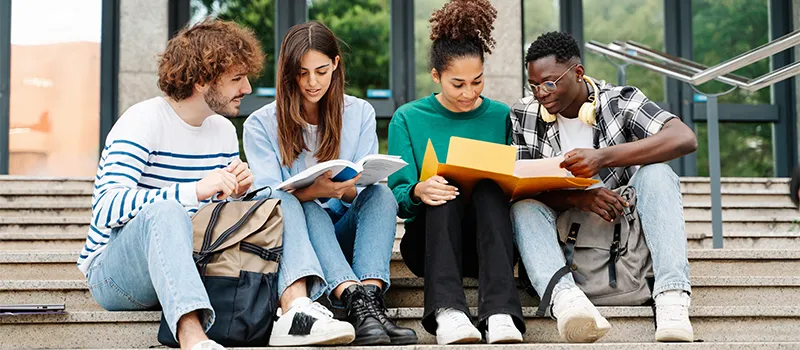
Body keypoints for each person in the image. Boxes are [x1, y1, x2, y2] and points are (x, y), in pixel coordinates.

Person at [78, 19, 265, 350]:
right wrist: (194, 190)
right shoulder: (142, 121)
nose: (247, 88)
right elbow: (106, 207)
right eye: (237, 78)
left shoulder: (222, 130)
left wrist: (239, 191)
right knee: (166, 211)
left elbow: (212, 212)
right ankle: (193, 337)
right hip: (114, 274)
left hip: (187, 264)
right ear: (203, 81)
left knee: (273, 199)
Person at [509, 31, 699, 343]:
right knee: (522, 207)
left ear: (578, 73)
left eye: (549, 83)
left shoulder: (620, 101)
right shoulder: (524, 114)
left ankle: (671, 297)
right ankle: (566, 300)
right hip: (564, 231)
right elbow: (520, 184)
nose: (540, 93)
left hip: (620, 229)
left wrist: (602, 158)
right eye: (533, 85)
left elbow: (684, 138)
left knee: (657, 174)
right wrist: (580, 198)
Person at [243, 21, 417, 346]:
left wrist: (345, 187)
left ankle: (370, 303)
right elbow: (268, 198)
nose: (312, 82)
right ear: (288, 72)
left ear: (336, 65)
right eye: (302, 72)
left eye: (321, 71)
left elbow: (361, 188)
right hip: (301, 241)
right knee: (304, 205)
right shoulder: (261, 124)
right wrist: (314, 191)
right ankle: (352, 299)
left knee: (380, 195)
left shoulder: (359, 112)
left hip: (347, 228)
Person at [387, 0, 525, 345]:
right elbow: (398, 196)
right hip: (430, 244)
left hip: (490, 243)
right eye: (458, 84)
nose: (469, 93)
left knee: (489, 188)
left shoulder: (501, 115)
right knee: (444, 185)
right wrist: (419, 190)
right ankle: (448, 312)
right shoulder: (407, 117)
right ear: (436, 76)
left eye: (477, 81)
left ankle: (501, 314)